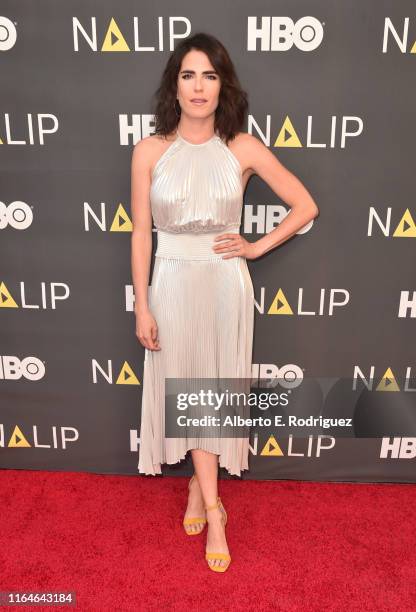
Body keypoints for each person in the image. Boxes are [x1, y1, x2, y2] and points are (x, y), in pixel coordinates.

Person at [131, 32, 319, 572]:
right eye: (188, 75)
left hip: (223, 283)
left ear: (222, 85)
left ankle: (211, 504)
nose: (198, 87)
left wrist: (255, 247)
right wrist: (142, 304)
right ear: (174, 84)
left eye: (209, 76)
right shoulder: (149, 150)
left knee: (210, 391)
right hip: (170, 282)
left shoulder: (243, 147)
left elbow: (306, 205)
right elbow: (141, 233)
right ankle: (208, 495)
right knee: (185, 389)